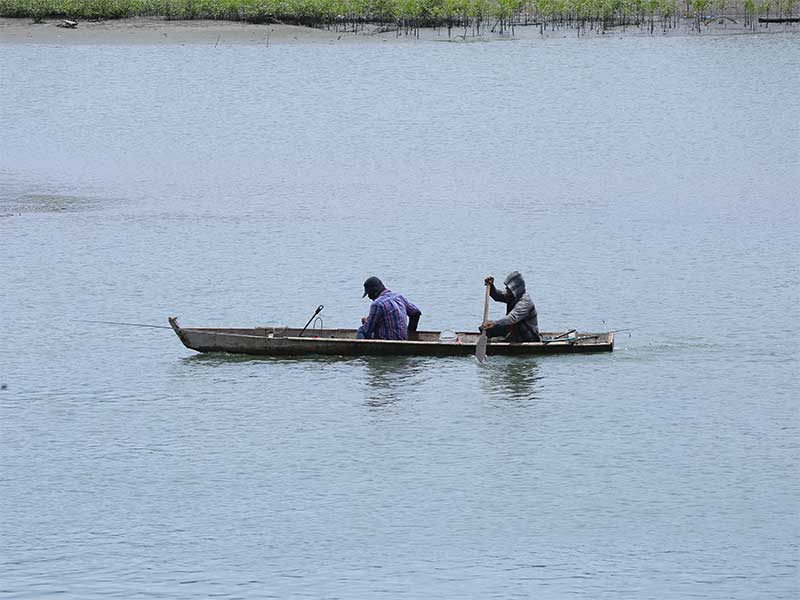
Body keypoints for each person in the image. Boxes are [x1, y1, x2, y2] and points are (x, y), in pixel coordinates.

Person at [480, 271, 541, 342]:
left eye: (508, 287)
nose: (506, 289)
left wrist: (494, 323)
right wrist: (491, 286)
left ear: (514, 289)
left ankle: (499, 341)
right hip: (513, 331)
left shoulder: (525, 302)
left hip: (526, 336)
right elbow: (497, 296)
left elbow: (512, 318)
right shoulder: (512, 296)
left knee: (493, 337)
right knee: (484, 328)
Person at [357, 276, 422, 340]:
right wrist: (410, 332)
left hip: (386, 341)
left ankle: (361, 349)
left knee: (361, 330)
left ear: (374, 292)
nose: (369, 297)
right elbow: (416, 313)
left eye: (369, 294)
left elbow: (367, 329)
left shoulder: (377, 304)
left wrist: (365, 321)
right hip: (403, 340)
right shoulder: (399, 297)